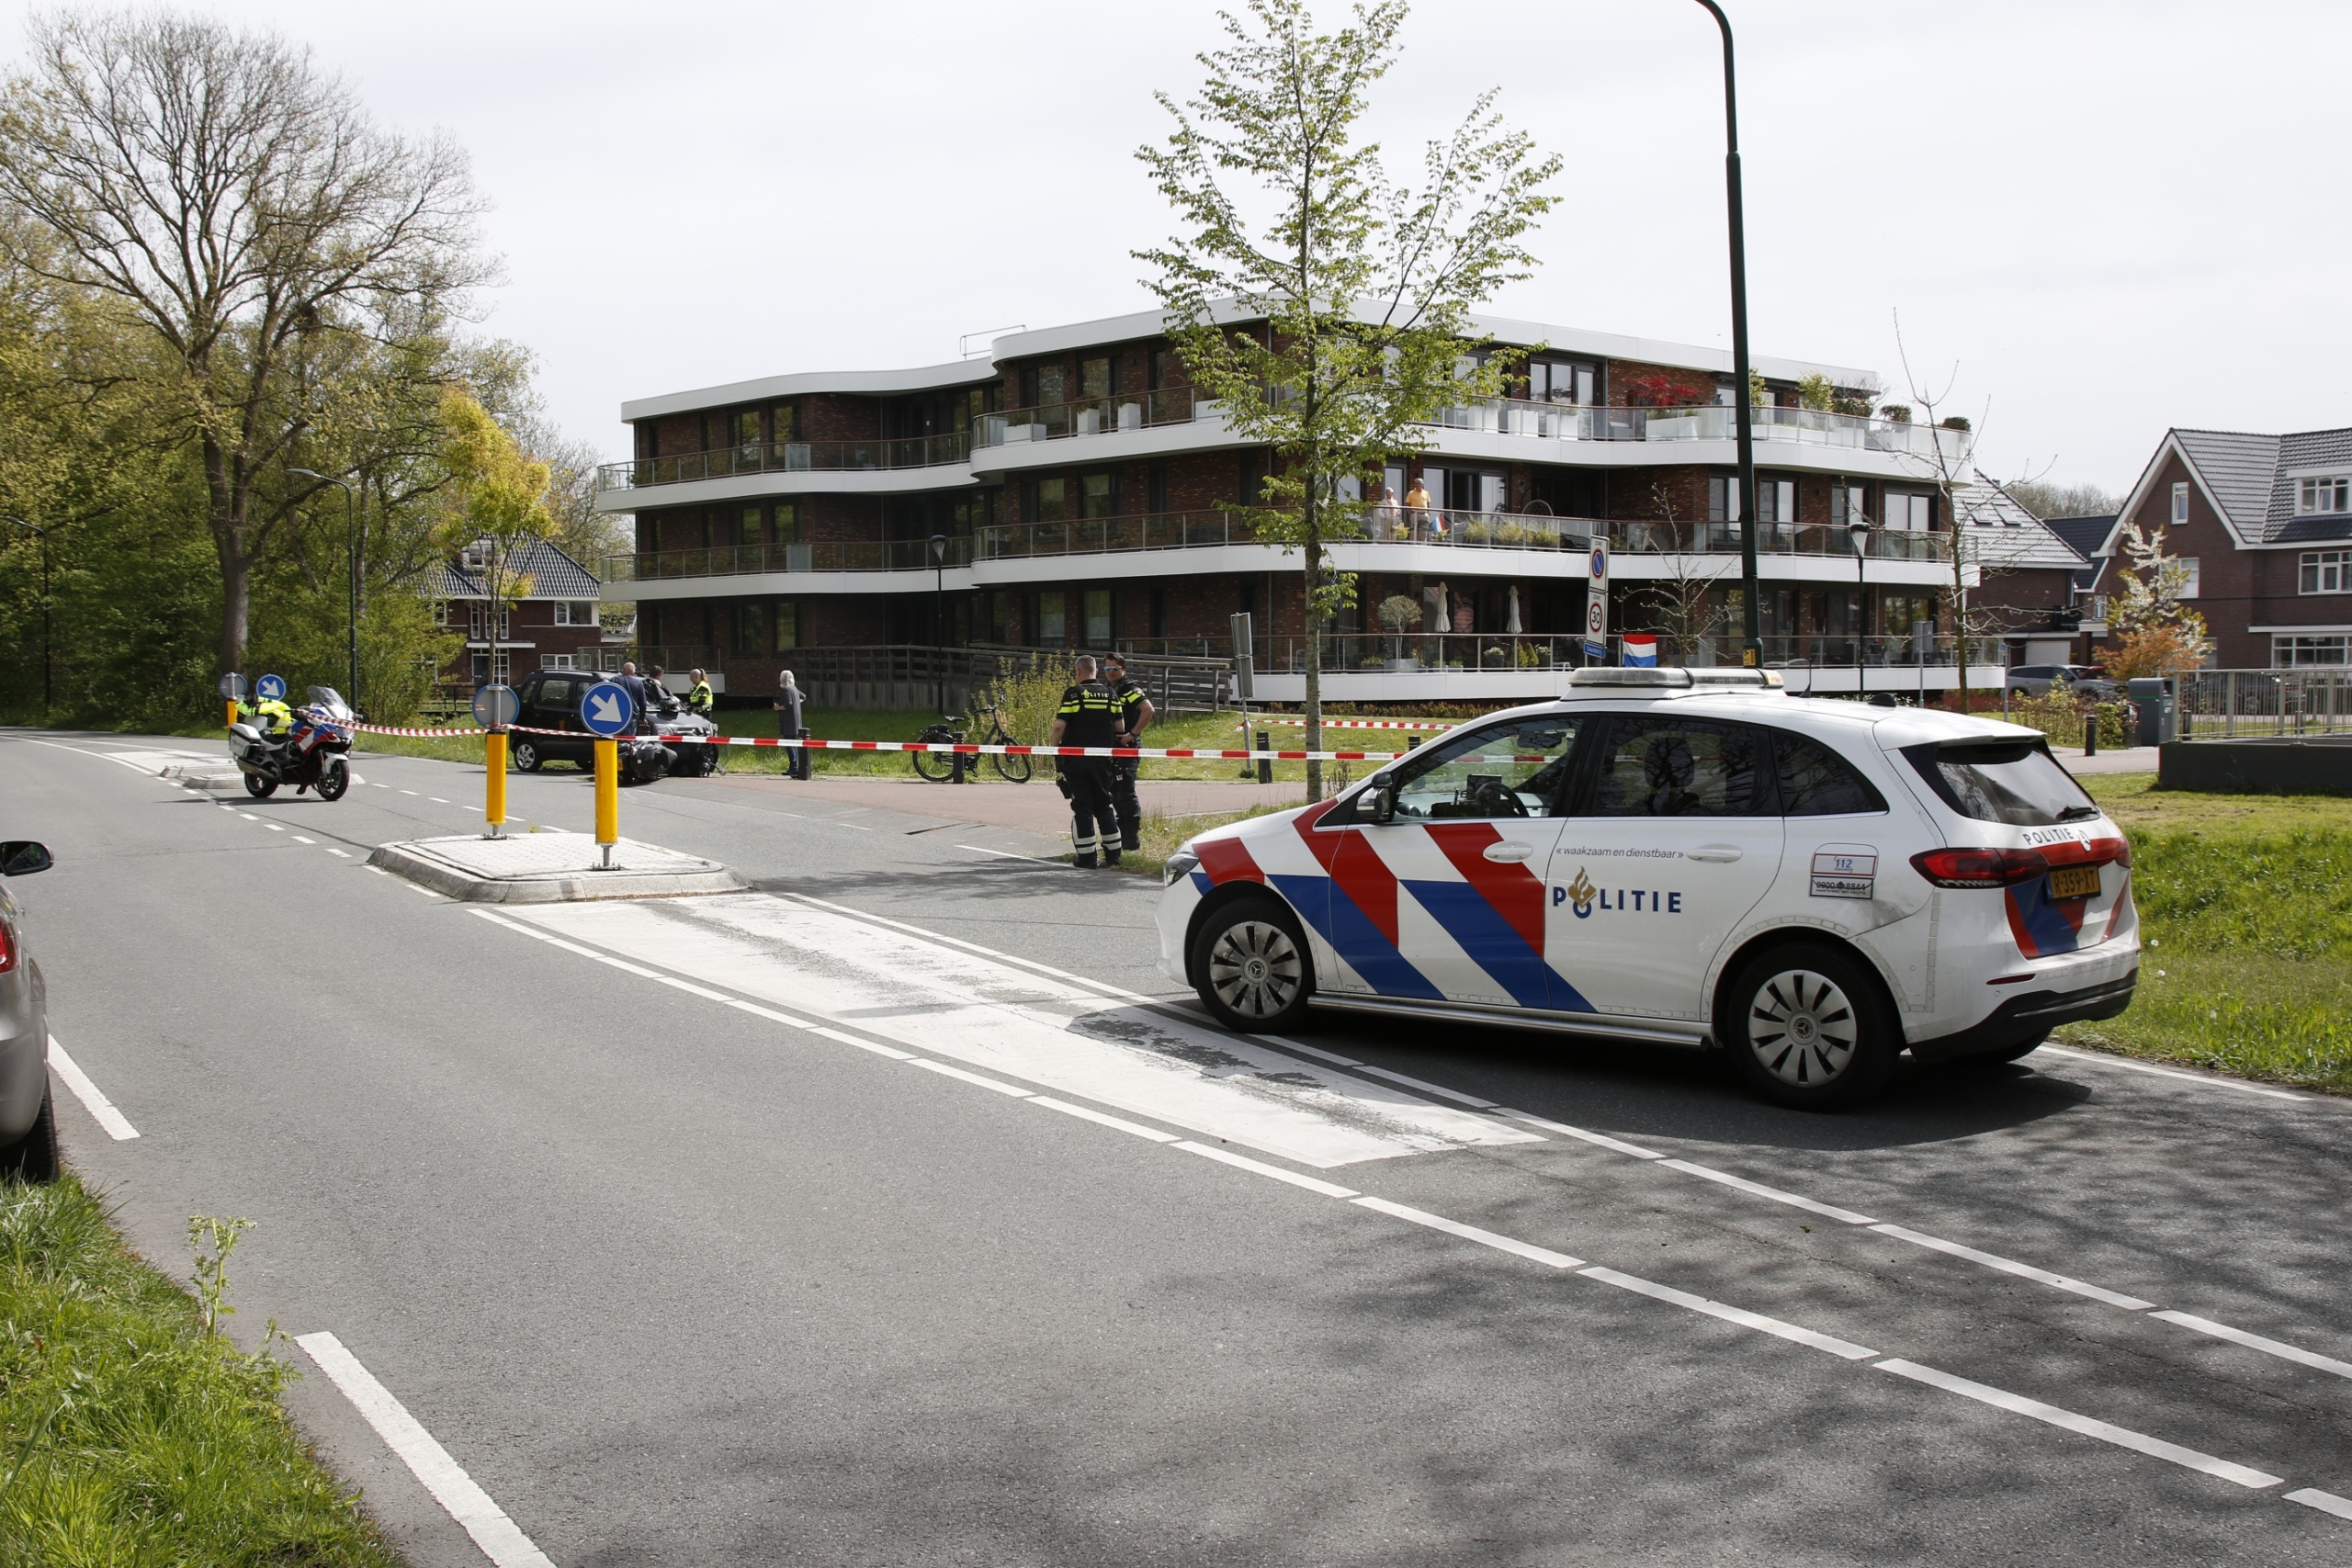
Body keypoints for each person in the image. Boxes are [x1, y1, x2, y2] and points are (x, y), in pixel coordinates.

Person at [1049, 655, 1121, 868]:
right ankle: (1114, 855)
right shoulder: (1110, 694)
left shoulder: (1073, 695)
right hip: (1103, 760)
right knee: (1104, 804)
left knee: (1082, 806)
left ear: (1078, 672)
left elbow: (1059, 726)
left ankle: (1087, 857)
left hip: (1076, 760)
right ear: (1096, 671)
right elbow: (1119, 727)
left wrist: (1053, 749)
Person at [1101, 652, 1154, 855]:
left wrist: (1132, 734)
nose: (1111, 672)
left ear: (1123, 669)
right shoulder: (1108, 689)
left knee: (1125, 792)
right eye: (1107, 669)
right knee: (1113, 791)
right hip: (1111, 748)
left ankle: (1131, 839)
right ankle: (1121, 836)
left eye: (1115, 668)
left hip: (1127, 747)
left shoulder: (1129, 689)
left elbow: (1148, 710)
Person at [775, 669, 810, 781]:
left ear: (783, 679)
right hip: (796, 721)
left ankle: (794, 767)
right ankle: (794, 766)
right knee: (793, 744)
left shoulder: (786, 690)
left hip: (789, 721)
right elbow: (803, 697)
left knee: (789, 744)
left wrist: (777, 708)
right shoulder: (794, 688)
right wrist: (797, 703)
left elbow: (788, 704)